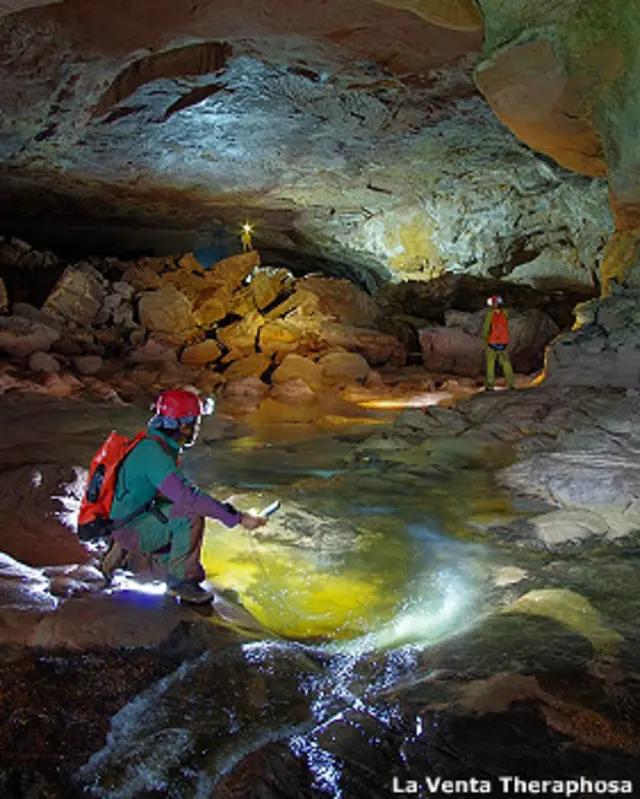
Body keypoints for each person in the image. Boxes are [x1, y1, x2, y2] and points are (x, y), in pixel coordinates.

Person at [100, 388, 266, 604]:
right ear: (184, 425)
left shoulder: (153, 445)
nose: (196, 429)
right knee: (190, 514)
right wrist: (238, 518)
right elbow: (188, 497)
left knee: (180, 508)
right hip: (130, 528)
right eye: (196, 423)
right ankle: (181, 583)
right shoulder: (154, 454)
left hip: (127, 521)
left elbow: (166, 495)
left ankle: (126, 553)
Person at [483, 295, 515, 391]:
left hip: (492, 342)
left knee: (490, 364)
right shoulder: (505, 313)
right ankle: (510, 384)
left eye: (493, 303)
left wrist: (485, 343)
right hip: (504, 342)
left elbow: (486, 329)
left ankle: (490, 386)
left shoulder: (490, 314)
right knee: (506, 363)